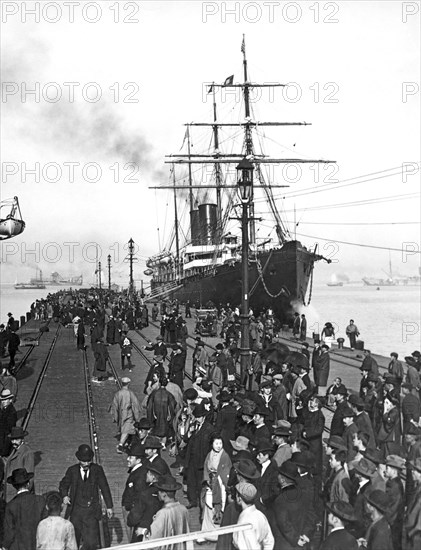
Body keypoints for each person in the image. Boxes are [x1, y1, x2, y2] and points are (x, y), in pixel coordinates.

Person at [59, 444, 113, 550]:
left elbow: (104, 487)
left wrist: (109, 506)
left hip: (91, 512)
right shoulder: (72, 470)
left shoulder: (97, 470)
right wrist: (65, 495)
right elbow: (63, 485)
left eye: (89, 461)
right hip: (76, 512)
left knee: (91, 543)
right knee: (74, 541)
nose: (87, 463)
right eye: (84, 461)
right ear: (79, 459)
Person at [198, 433, 232, 543]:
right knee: (207, 506)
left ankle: (216, 534)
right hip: (210, 483)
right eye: (216, 443)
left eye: (220, 443)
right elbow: (205, 468)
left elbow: (226, 471)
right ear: (212, 444)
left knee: (218, 507)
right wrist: (208, 480)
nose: (218, 445)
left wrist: (217, 481)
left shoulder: (225, 456)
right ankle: (205, 532)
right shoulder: (210, 454)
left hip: (220, 485)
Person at [3, 468, 46, 550]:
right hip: (37, 545)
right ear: (28, 483)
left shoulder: (10, 505)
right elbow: (46, 524)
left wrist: (4, 546)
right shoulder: (40, 500)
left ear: (14, 486)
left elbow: (9, 532)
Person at [148, 475, 192, 550]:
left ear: (164, 494)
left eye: (159, 491)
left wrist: (143, 532)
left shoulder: (162, 513)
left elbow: (153, 540)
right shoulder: (183, 509)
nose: (157, 493)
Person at [233, 481, 274, 550]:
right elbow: (269, 541)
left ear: (239, 498)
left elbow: (249, 547)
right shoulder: (260, 515)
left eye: (237, 495)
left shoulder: (244, 521)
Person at [110, 377, 141, 453]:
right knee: (126, 430)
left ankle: (126, 443)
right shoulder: (130, 393)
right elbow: (136, 405)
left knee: (125, 429)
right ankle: (120, 445)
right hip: (129, 415)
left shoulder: (118, 393)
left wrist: (115, 417)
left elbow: (114, 406)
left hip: (121, 415)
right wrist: (137, 417)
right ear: (128, 383)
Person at [4, 426, 35, 501]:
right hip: (11, 493)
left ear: (22, 439)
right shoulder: (15, 450)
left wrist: (25, 494)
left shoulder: (27, 452)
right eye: (12, 439)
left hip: (19, 495)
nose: (14, 442)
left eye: (16, 439)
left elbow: (29, 476)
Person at [405, 456, 421, 550]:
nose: (412, 472)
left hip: (416, 536)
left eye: (414, 470)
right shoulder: (417, 488)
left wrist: (410, 533)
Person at [0, 388, 17, 457]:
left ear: (10, 400)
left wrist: (4, 450)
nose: (3, 402)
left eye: (5, 400)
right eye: (2, 400)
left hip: (4, 443)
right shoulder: (3, 410)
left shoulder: (11, 412)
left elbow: (9, 432)